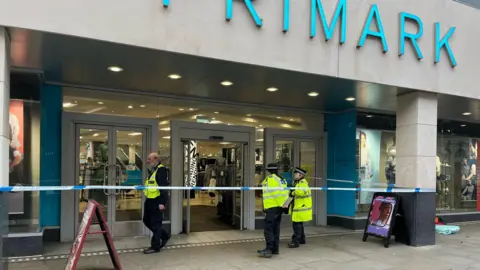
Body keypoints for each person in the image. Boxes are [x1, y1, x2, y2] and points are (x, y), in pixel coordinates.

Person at [257, 163, 289, 258]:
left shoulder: (270, 179)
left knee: (268, 229)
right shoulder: (281, 179)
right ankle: (275, 249)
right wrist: (284, 205)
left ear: (269, 170)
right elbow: (285, 192)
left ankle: (269, 249)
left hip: (272, 207)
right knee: (276, 229)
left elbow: (270, 191)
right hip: (280, 207)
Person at [143, 153, 171, 254]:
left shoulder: (161, 170)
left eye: (149, 159)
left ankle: (155, 246)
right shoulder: (153, 170)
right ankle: (164, 235)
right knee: (146, 220)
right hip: (150, 200)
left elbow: (163, 188)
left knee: (155, 224)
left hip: (157, 201)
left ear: (156, 159)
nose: (148, 161)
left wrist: (162, 202)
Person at [287, 167, 312, 248]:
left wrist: (292, 192)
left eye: (296, 174)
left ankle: (295, 241)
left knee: (296, 225)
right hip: (298, 207)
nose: (294, 175)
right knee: (299, 224)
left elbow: (301, 192)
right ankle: (302, 239)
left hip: (300, 208)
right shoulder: (297, 183)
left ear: (301, 175)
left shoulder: (302, 183)